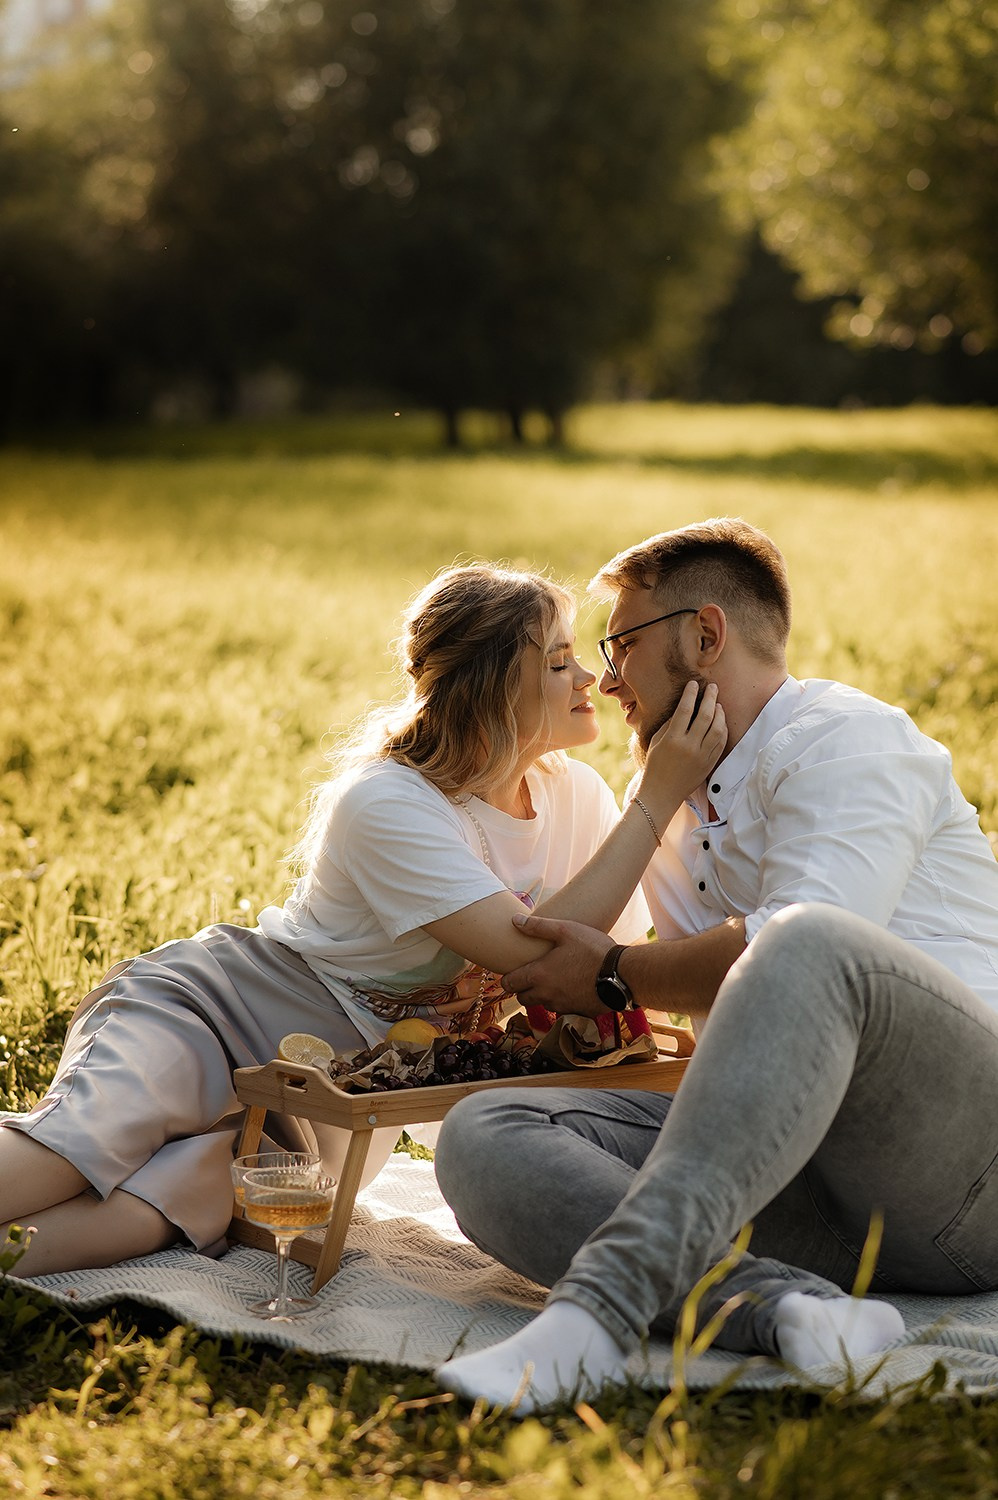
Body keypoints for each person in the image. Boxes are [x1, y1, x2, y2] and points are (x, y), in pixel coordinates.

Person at [0, 563, 725, 1277]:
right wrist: (656, 796)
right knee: (77, 1148)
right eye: (563, 662)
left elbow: (589, 972)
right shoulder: (388, 801)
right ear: (495, 684)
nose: (592, 681)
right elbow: (524, 956)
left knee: (164, 1211)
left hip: (345, 1090)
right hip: (220, 1013)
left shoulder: (580, 801)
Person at [434, 518, 998, 1412]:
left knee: (806, 940)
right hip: (797, 1186)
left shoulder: (849, 737)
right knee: (483, 1133)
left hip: (965, 1171)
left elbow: (778, 945)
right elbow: (557, 954)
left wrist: (618, 973)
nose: (606, 677)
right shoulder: (669, 797)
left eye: (619, 644)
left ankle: (597, 1315)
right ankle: (790, 1314)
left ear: (705, 636)